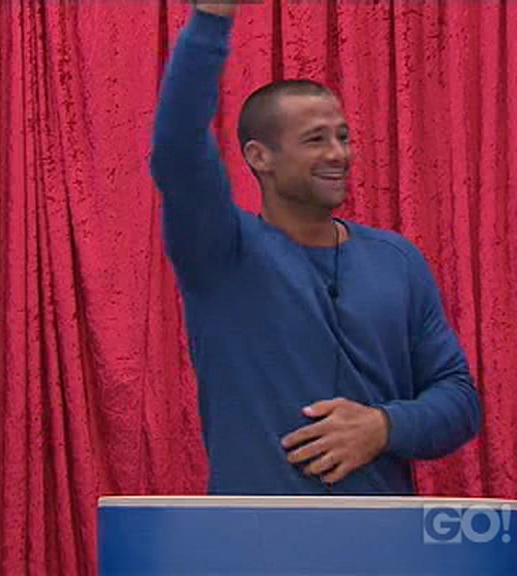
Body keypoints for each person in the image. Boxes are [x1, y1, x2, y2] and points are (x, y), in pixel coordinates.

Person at [149, 2, 483, 496]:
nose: (338, 153)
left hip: (381, 534)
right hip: (255, 535)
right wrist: (211, 20)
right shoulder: (221, 253)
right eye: (315, 139)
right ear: (260, 157)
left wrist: (384, 426)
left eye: (343, 136)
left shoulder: (398, 261)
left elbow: (460, 401)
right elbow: (178, 150)